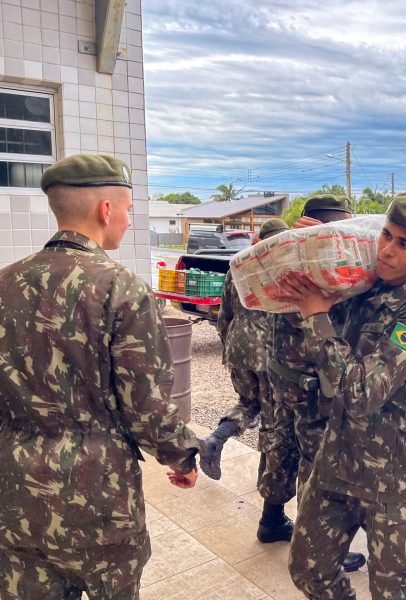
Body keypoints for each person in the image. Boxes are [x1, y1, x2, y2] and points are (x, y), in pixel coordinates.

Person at [0, 154, 201, 599]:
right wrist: (181, 457)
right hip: (100, 502)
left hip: (15, 498)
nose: (129, 220)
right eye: (128, 210)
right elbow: (147, 405)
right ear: (106, 210)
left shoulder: (4, 282)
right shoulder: (120, 288)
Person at [280, 193, 406, 599]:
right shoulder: (361, 286)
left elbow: (361, 393)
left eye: (403, 244)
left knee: (391, 590)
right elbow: (300, 353)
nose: (387, 250)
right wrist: (304, 255)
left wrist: (317, 316)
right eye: (386, 235)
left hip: (394, 478)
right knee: (308, 570)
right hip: (338, 462)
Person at [262, 194, 366, 570]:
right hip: (313, 382)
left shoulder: (282, 253)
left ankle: (271, 520)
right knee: (317, 463)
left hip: (283, 374)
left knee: (280, 447)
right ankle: (316, 550)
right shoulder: (327, 265)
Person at [199, 218, 301, 544]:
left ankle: (216, 438)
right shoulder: (285, 266)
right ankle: (272, 513)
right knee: (275, 427)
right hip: (269, 353)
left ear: (259, 238)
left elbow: (223, 315)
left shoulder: (239, 265)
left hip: (239, 347)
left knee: (248, 403)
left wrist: (230, 346)